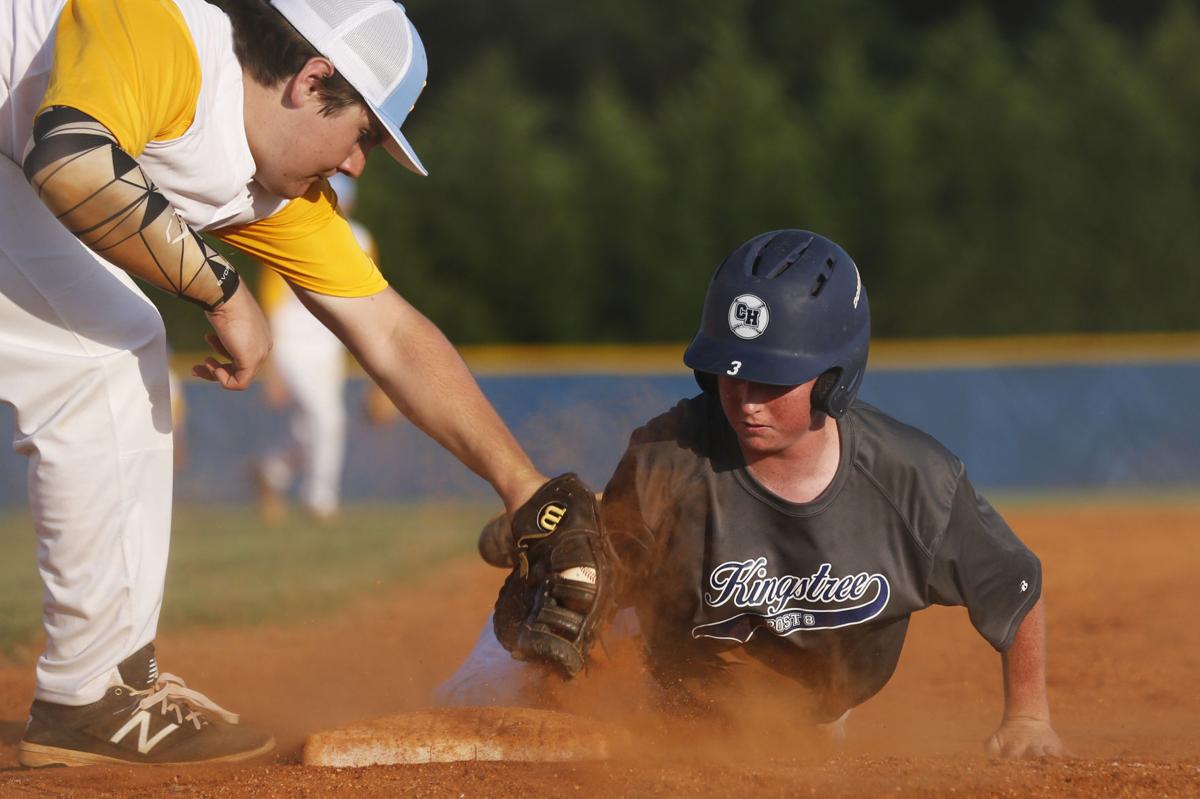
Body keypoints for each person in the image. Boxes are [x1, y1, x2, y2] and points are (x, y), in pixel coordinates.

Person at [3, 0, 587, 767]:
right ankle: (94, 695)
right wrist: (225, 291)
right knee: (104, 351)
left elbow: (391, 331)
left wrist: (525, 487)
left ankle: (101, 690)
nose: (355, 164)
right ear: (313, 81)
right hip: (26, 164)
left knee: (107, 344)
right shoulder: (160, 25)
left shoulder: (263, 186)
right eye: (365, 136)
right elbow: (73, 159)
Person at [442, 230, 1066, 759]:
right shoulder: (670, 457)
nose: (745, 401)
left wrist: (1028, 718)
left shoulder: (915, 483)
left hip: (809, 704)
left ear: (834, 380)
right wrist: (562, 615)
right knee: (491, 708)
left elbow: (1014, 584)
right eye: (729, 374)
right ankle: (550, 531)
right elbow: (598, 597)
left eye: (772, 380)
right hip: (668, 665)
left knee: (790, 746)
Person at [252, 173, 368, 525]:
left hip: (328, 346)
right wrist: (270, 361)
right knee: (327, 418)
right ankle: (320, 501)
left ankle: (272, 470)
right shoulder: (292, 229)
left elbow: (366, 304)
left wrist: (374, 370)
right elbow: (272, 298)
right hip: (290, 343)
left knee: (311, 427)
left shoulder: (362, 239)